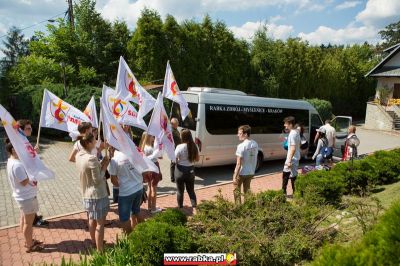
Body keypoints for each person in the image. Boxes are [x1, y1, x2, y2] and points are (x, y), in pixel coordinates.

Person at [5, 139, 44, 252]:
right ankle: (30, 245)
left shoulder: (12, 161)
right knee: (28, 223)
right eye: (19, 148)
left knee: (23, 219)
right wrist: (33, 173)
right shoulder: (17, 165)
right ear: (13, 150)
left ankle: (28, 240)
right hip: (27, 197)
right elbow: (24, 182)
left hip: (22, 197)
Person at [75, 133, 110, 252]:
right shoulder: (91, 158)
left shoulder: (79, 155)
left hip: (86, 194)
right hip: (97, 195)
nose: (96, 141)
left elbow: (90, 172)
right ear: (89, 143)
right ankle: (100, 251)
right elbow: (97, 180)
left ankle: (94, 242)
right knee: (100, 224)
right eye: (94, 139)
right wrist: (104, 166)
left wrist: (101, 164)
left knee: (91, 219)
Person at [17, 119, 48, 227]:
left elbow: (28, 157)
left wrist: (34, 152)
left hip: (31, 176)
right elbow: (24, 159)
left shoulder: (23, 139)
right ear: (21, 130)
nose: (31, 130)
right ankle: (33, 220)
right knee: (29, 200)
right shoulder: (20, 141)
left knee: (30, 201)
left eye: (31, 128)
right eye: (28, 128)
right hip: (27, 178)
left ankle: (33, 217)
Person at [108, 146, 145, 234]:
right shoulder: (134, 153)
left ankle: (130, 239)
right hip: (139, 188)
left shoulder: (114, 159)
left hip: (126, 192)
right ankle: (145, 232)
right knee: (136, 211)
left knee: (124, 218)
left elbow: (113, 180)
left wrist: (122, 186)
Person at [232, 125, 259, 204]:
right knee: (247, 191)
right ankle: (248, 206)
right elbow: (255, 157)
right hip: (251, 172)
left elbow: (238, 164)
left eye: (240, 133)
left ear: (246, 134)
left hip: (242, 173)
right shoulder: (255, 144)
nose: (238, 135)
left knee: (236, 190)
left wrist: (234, 177)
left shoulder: (241, 146)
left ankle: (238, 207)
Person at [175, 129, 199, 212]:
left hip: (180, 171)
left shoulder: (179, 146)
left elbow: (174, 159)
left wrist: (179, 161)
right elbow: (197, 159)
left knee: (180, 191)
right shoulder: (194, 146)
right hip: (191, 171)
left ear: (182, 137)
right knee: (191, 190)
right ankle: (195, 209)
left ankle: (181, 209)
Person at [139, 132, 163, 214]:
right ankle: (153, 208)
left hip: (147, 168)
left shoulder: (143, 147)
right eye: (152, 136)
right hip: (154, 167)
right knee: (154, 188)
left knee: (149, 187)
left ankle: (149, 206)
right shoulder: (151, 148)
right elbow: (160, 156)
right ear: (149, 137)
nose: (153, 137)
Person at [282, 116, 301, 197]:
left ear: (290, 124)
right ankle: (295, 193)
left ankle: (283, 193)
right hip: (296, 157)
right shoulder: (296, 132)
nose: (284, 125)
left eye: (286, 124)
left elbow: (292, 148)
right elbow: (299, 145)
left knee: (285, 174)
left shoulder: (292, 134)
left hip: (292, 158)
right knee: (294, 175)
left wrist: (289, 160)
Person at [170, 118, 181, 182]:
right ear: (173, 124)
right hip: (174, 149)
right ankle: (172, 178)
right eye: (177, 123)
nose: (178, 124)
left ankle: (175, 176)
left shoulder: (175, 129)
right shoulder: (172, 131)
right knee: (173, 163)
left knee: (175, 163)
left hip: (177, 148)